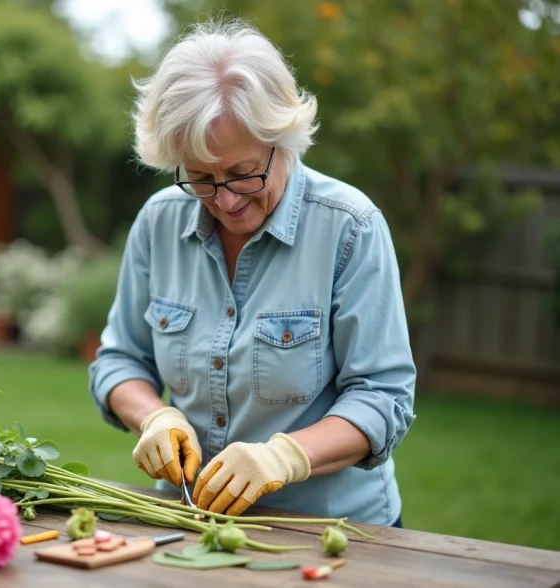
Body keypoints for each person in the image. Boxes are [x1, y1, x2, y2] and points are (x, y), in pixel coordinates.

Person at [87, 19, 417, 527]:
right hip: (187, 521)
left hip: (332, 532)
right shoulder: (159, 220)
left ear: (283, 140)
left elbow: (384, 397)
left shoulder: (351, 228)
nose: (224, 199)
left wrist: (284, 457)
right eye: (200, 177)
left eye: (243, 174)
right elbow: (119, 360)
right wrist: (153, 415)